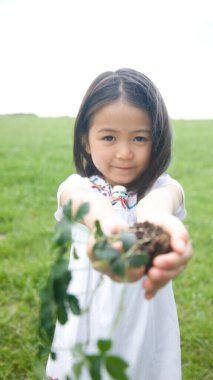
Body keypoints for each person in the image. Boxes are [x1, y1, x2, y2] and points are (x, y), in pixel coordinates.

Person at [46, 68, 193, 380]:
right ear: (86, 140)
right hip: (86, 314)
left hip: (144, 316)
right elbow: (83, 204)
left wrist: (158, 223)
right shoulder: (77, 187)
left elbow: (160, 205)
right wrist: (109, 225)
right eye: (109, 137)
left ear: (158, 139)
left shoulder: (162, 187)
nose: (125, 153)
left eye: (139, 138)